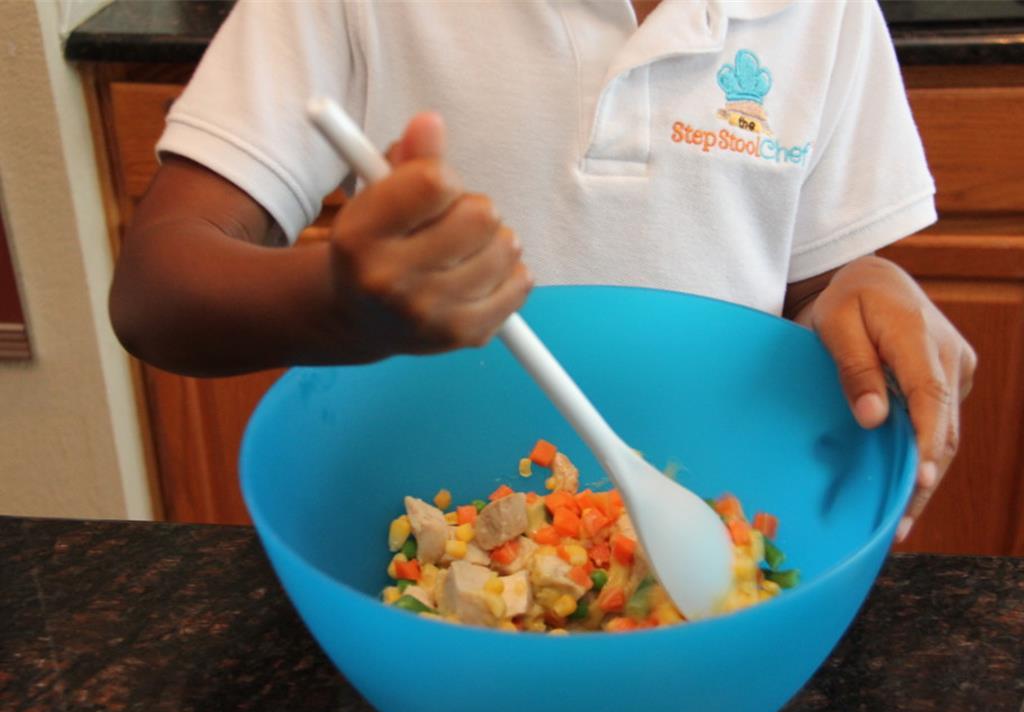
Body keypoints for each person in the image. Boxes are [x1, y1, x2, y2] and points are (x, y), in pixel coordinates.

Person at [108, 0, 975, 542]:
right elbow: (156, 289)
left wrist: (865, 283)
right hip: (424, 545)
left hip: (714, 546)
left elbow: (814, 284)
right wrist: (340, 302)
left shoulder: (826, 14)